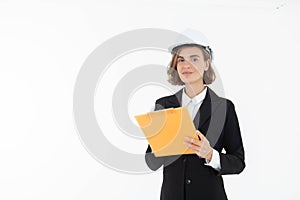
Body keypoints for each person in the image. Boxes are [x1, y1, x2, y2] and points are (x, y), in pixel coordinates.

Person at [145, 30, 245, 200]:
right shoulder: (163, 105)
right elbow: (152, 163)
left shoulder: (224, 108)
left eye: (194, 59)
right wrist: (156, 136)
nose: (186, 65)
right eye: (181, 60)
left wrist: (210, 154)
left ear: (207, 64)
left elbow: (238, 163)